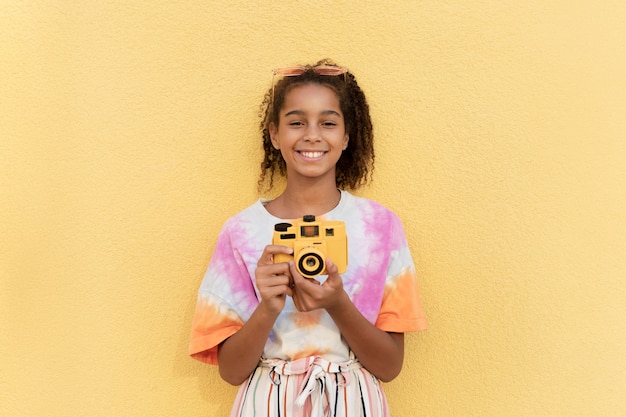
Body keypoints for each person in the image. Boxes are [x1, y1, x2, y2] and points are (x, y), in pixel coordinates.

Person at [189, 59, 427, 416]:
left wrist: (338, 302)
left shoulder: (380, 227)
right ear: (274, 134)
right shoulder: (241, 231)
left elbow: (390, 366)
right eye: (296, 122)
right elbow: (231, 371)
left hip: (352, 401)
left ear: (346, 136)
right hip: (267, 402)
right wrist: (268, 307)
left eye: (328, 122)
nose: (312, 135)